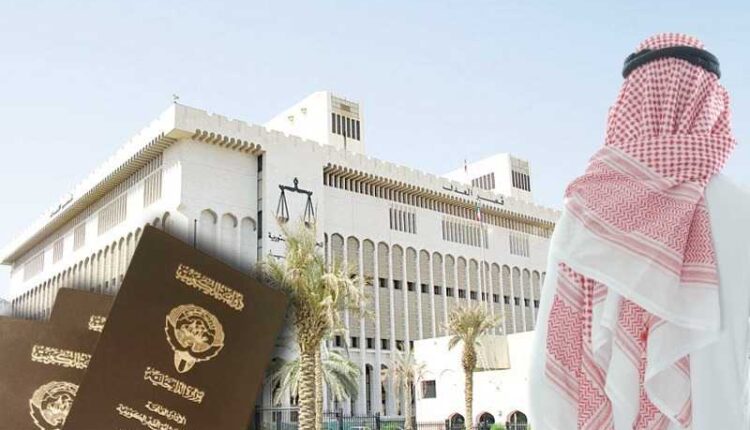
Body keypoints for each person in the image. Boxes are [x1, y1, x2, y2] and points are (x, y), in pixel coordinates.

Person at [529, 33, 750, 429]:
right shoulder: (742, 210)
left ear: (629, 104)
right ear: (711, 103)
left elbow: (552, 361)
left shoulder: (586, 215)